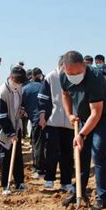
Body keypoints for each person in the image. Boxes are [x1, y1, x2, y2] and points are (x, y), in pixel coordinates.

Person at [60, 51, 106, 210]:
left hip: (104, 119)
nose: (74, 76)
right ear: (64, 68)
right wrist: (70, 114)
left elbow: (96, 113)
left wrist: (81, 134)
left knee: (98, 155)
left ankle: (103, 199)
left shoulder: (95, 78)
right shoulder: (64, 76)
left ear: (84, 66)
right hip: (85, 119)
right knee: (81, 154)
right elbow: (65, 94)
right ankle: (78, 191)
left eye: (78, 72)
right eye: (71, 73)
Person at [38, 57, 74, 192]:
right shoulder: (51, 77)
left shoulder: (73, 77)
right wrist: (42, 116)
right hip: (53, 121)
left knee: (67, 153)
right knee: (52, 151)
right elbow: (43, 99)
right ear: (62, 65)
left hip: (70, 122)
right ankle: (49, 179)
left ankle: (66, 181)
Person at [0, 66, 28, 194]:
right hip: (2, 130)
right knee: (5, 158)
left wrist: (21, 109)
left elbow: (19, 104)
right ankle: (5, 185)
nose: (20, 84)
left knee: (17, 156)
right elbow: (2, 117)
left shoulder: (18, 89)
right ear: (12, 78)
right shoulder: (2, 92)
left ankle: (19, 183)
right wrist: (10, 133)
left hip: (15, 127)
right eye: (18, 82)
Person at [22, 67, 45, 179]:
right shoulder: (41, 85)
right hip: (48, 118)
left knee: (37, 145)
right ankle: (45, 168)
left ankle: (39, 169)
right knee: (45, 145)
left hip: (37, 120)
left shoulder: (24, 89)